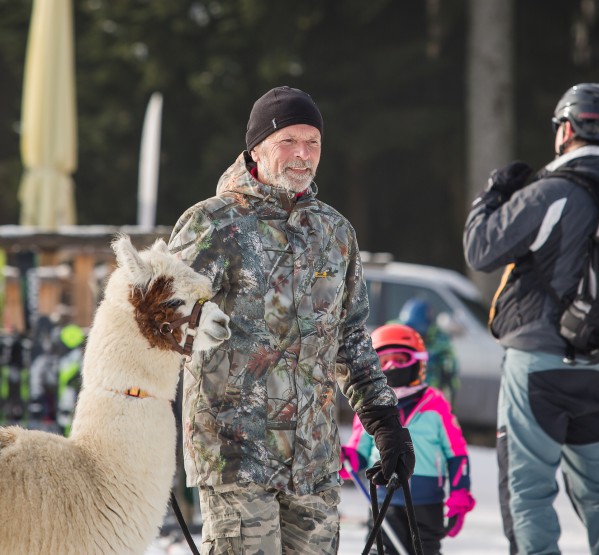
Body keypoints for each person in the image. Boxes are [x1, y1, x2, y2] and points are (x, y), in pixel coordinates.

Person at [168, 85, 415, 554]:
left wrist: (384, 422)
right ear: (256, 148)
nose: (303, 155)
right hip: (236, 458)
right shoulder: (213, 224)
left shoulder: (335, 232)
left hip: (315, 462)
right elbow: (161, 323)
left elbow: (350, 338)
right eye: (288, 141)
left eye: (313, 142)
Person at [463, 83, 599, 554]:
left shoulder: (552, 192)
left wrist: (493, 194)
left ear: (566, 128)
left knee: (529, 493)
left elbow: (481, 249)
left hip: (538, 365)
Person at [342, 323, 475, 554]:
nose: (393, 366)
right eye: (384, 361)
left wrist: (459, 493)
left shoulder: (435, 403)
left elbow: (457, 453)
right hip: (385, 499)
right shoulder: (370, 407)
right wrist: (346, 459)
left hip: (426, 502)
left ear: (418, 362)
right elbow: (359, 450)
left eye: (400, 359)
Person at [397, 298, 459, 404]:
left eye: (418, 332)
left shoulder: (440, 343)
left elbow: (450, 377)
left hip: (430, 397)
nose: (415, 335)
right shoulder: (396, 333)